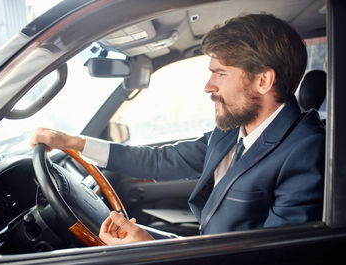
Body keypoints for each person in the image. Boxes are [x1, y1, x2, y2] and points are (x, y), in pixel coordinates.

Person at [30, 13, 325, 245]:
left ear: (263, 81)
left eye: (220, 74)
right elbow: (161, 161)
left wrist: (146, 251)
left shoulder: (306, 150)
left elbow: (278, 257)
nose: (208, 87)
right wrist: (73, 142)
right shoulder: (234, 130)